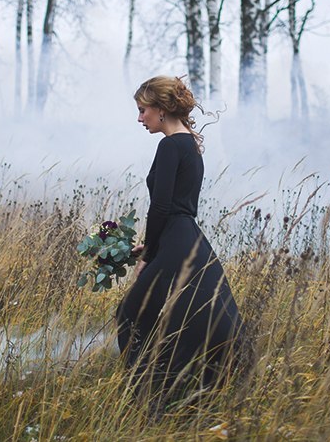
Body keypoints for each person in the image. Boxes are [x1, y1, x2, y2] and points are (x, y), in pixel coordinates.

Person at [115, 75, 249, 414]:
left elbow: (161, 206)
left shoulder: (169, 145)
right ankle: (168, 397)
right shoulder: (190, 144)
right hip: (187, 239)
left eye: (143, 110)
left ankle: (146, 402)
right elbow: (178, 208)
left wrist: (150, 253)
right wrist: (151, 245)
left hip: (176, 240)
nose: (139, 118)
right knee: (171, 317)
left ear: (160, 110)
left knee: (131, 314)